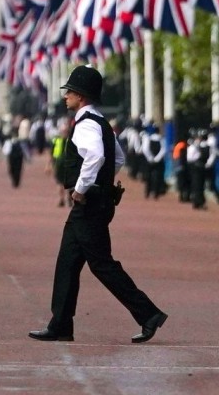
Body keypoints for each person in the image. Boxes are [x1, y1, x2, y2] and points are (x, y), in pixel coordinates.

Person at [29, 66, 167, 345]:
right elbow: (117, 158)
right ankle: (61, 323)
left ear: (81, 96)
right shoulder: (99, 121)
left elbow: (95, 156)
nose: (65, 96)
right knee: (68, 261)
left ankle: (149, 314)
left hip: (89, 203)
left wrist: (81, 188)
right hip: (98, 201)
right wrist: (103, 182)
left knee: (102, 264)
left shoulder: (87, 124)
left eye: (69, 91)